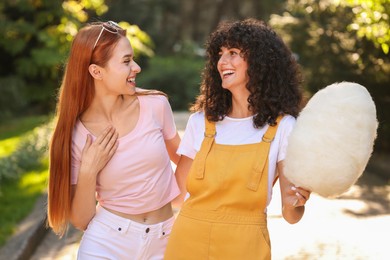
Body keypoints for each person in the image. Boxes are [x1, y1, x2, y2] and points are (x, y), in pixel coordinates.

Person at [165, 18, 311, 259]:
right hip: (187, 243)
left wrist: (297, 201)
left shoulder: (283, 127)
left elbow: (290, 215)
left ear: (260, 61)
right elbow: (177, 197)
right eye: (220, 54)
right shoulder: (200, 122)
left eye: (233, 53)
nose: (222, 62)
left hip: (245, 247)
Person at [47, 21, 181, 259]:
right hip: (107, 243)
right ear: (96, 72)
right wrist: (89, 169)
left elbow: (187, 163)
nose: (136, 67)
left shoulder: (155, 105)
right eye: (126, 61)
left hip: (166, 241)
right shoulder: (77, 134)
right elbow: (81, 220)